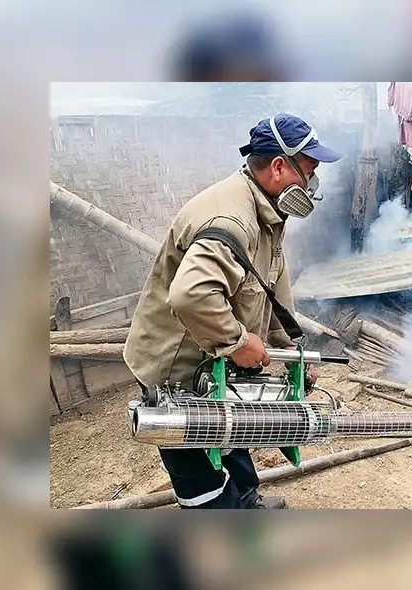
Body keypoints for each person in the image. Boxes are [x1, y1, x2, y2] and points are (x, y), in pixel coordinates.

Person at [123, 113, 342, 509]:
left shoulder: (266, 210)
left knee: (233, 429)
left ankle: (247, 503)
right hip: (177, 369)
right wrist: (237, 342)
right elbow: (190, 295)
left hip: (213, 360)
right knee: (200, 473)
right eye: (309, 171)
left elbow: (270, 284)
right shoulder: (232, 220)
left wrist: (290, 348)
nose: (313, 184)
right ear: (279, 167)